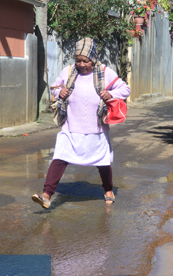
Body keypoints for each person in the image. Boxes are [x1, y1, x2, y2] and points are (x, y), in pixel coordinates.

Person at [31, 38, 131, 209]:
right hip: (71, 125)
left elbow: (125, 89)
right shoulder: (68, 71)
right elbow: (54, 88)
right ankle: (46, 195)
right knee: (60, 157)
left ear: (93, 58)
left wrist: (110, 95)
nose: (82, 64)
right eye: (79, 60)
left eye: (86, 61)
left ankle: (108, 190)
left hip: (97, 127)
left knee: (102, 161)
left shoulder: (105, 72)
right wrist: (59, 92)